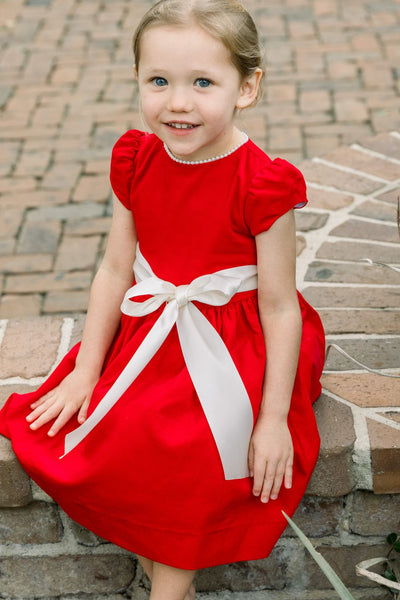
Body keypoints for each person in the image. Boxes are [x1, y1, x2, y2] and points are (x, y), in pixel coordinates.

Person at [0, 1, 325, 598]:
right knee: (112, 432)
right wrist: (87, 371)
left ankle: (167, 593)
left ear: (247, 88)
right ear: (138, 81)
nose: (178, 102)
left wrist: (273, 418)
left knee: (195, 451)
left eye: (203, 82)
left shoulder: (261, 184)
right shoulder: (137, 159)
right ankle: (168, 575)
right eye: (159, 81)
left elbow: (279, 307)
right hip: (151, 329)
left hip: (236, 341)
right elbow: (115, 268)